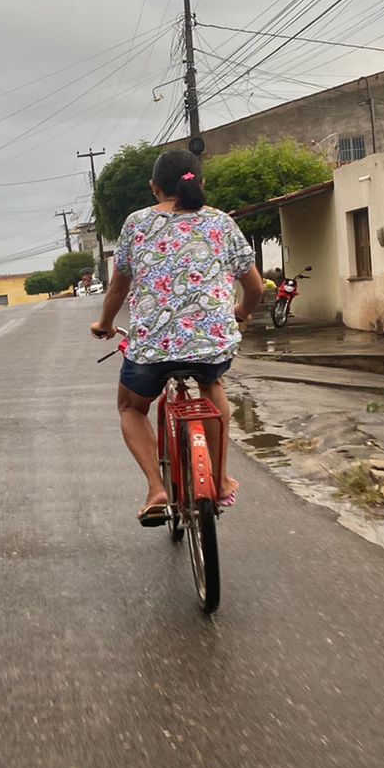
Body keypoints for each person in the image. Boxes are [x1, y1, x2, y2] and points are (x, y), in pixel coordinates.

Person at [90, 149, 264, 526]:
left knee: (131, 408)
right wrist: (242, 312)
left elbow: (118, 289)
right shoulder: (220, 222)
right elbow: (254, 287)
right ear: (200, 184)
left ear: (155, 188)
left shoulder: (137, 224)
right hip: (210, 344)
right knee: (212, 383)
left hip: (152, 349)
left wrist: (104, 323)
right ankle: (218, 480)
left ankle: (156, 489)